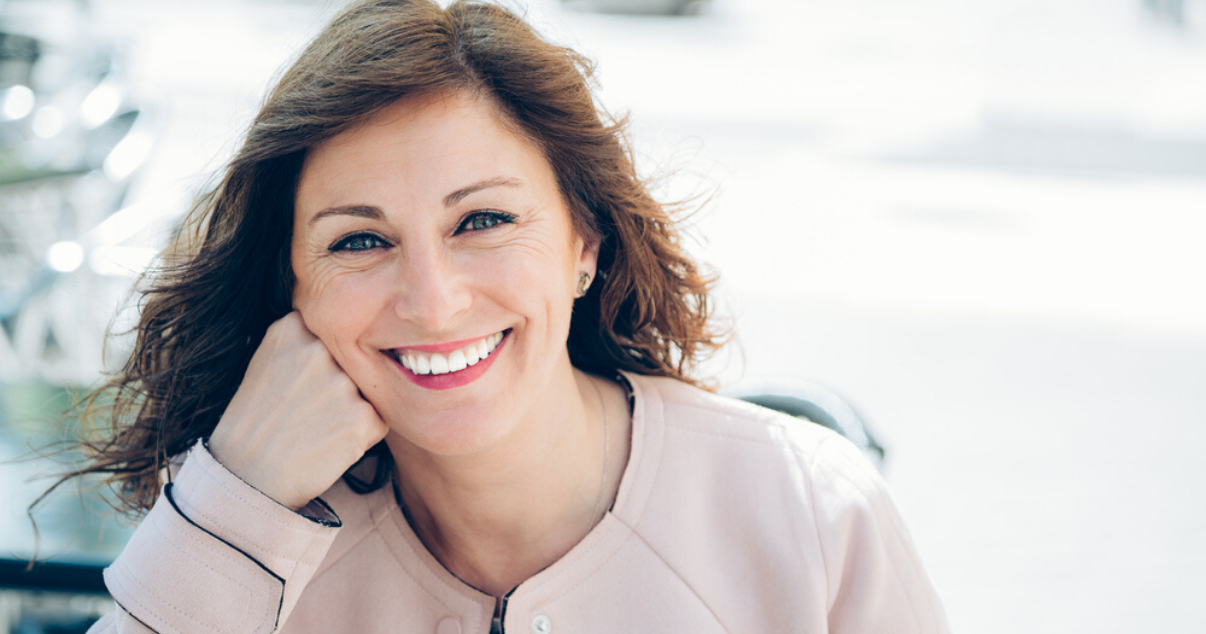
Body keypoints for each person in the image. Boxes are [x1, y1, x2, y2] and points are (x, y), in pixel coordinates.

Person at [72, 0, 949, 632]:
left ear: (585, 241)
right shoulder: (244, 536)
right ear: (291, 288)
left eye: (483, 221)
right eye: (358, 242)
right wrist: (237, 501)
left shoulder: (812, 514)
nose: (434, 298)